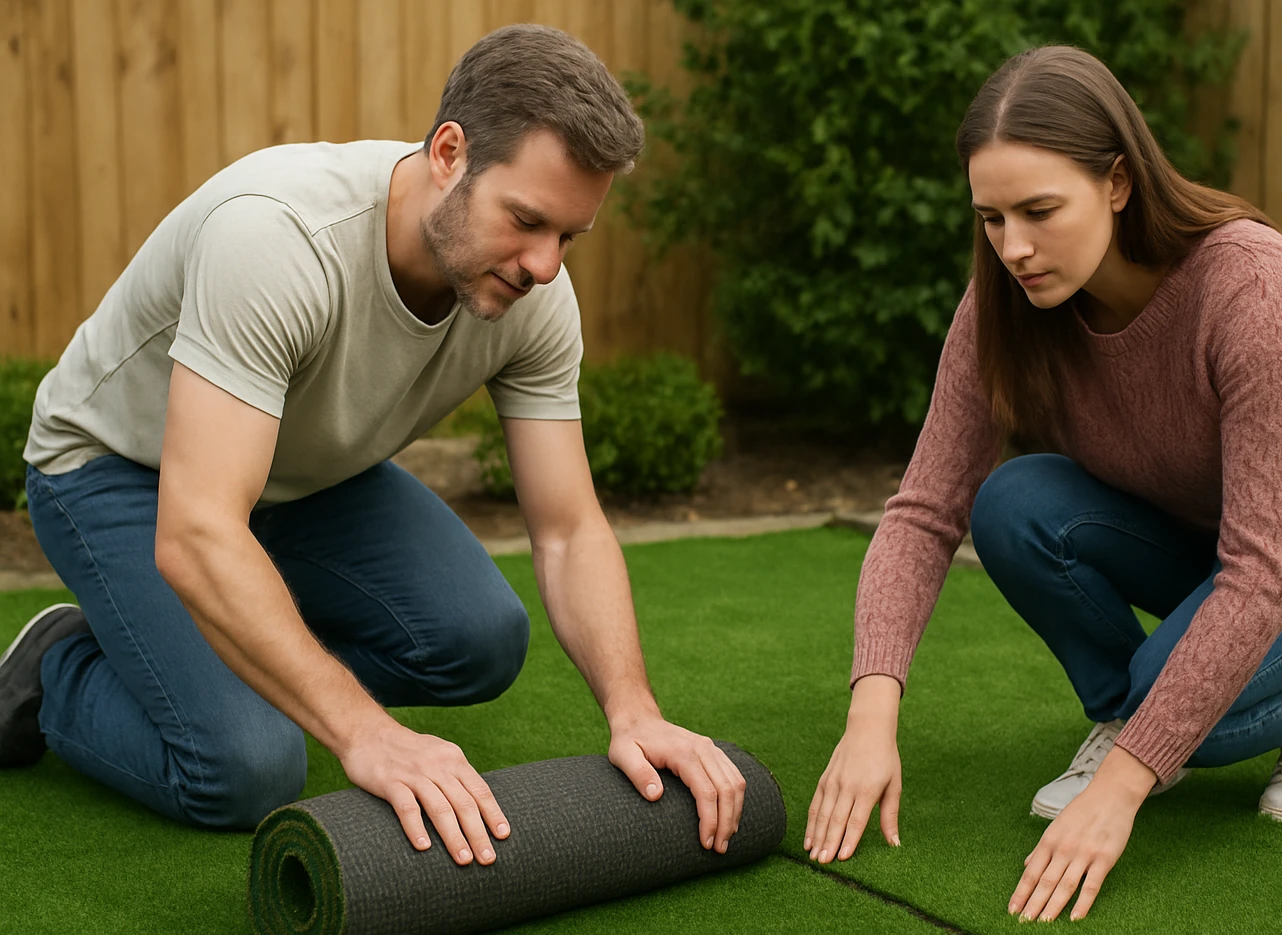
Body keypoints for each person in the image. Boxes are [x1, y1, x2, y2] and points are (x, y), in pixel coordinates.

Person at [0, 24, 746, 864]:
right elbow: (199, 527)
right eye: (527, 220)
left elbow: (569, 528)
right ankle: (58, 670)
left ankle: (219, 649)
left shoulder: (535, 295)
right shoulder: (279, 238)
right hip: (118, 471)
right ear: (450, 154)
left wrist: (635, 711)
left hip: (298, 478)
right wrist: (365, 733)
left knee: (478, 640)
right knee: (246, 768)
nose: (544, 265)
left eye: (569, 237)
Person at [803, 46, 1282, 923]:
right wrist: (869, 721)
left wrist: (1122, 789)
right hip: (1194, 535)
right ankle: (1135, 710)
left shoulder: (1250, 286)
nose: (1014, 248)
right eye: (991, 218)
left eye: (1040, 211)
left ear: (1118, 183)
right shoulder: (1004, 303)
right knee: (1014, 503)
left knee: (1187, 727)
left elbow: (1261, 571)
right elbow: (922, 511)